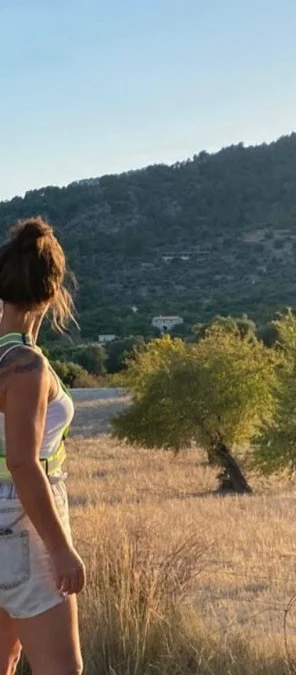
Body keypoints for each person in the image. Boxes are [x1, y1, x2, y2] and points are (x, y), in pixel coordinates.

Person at [0, 218, 84, 674]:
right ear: (52, 295)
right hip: (20, 527)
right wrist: (59, 548)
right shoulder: (27, 367)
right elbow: (22, 462)